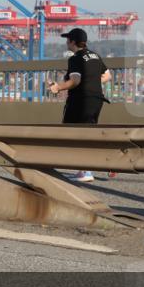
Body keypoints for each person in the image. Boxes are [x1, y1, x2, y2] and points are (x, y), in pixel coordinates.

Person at [48, 27, 111, 183]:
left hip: (81, 100)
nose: (66, 42)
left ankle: (87, 170)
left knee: (71, 132)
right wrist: (92, 82)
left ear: (73, 42)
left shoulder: (75, 58)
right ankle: (87, 168)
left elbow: (75, 81)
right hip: (97, 99)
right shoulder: (95, 56)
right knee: (87, 132)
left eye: (68, 39)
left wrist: (57, 87)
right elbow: (108, 76)